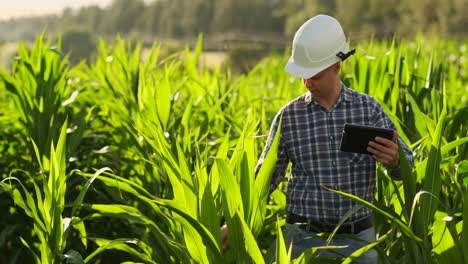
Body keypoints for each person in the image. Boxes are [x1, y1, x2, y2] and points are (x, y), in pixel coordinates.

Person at [251, 14, 414, 263]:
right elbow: (264, 178)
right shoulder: (289, 117)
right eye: (302, 76)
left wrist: (394, 162)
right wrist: (239, 218)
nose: (306, 83)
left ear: (336, 67)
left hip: (359, 242)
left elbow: (408, 167)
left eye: (314, 76)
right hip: (303, 241)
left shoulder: (368, 109)